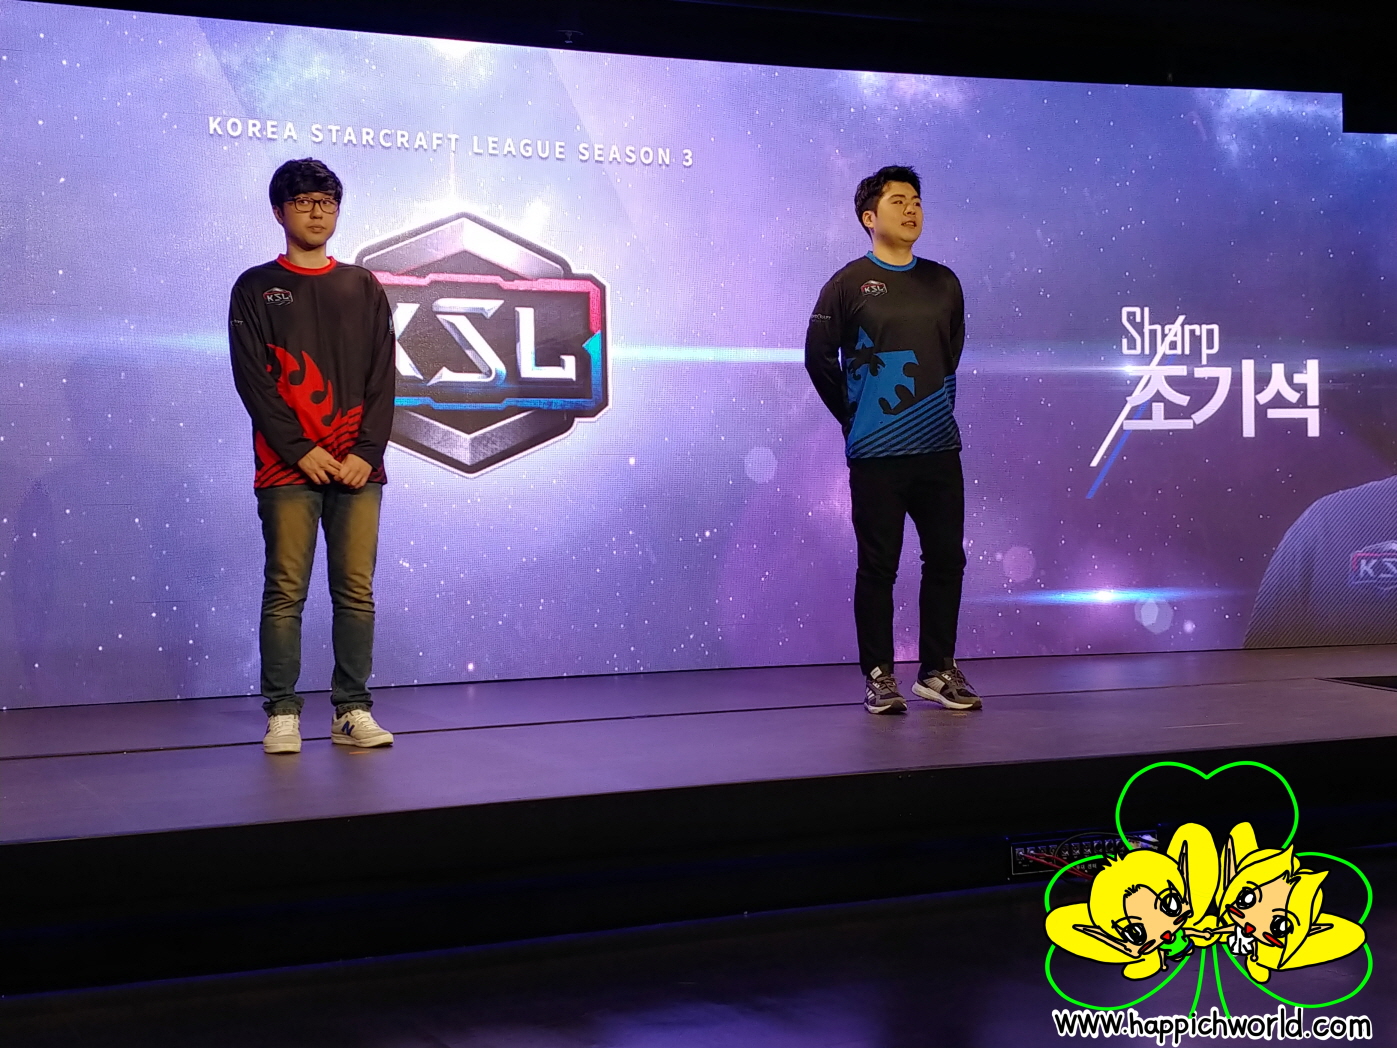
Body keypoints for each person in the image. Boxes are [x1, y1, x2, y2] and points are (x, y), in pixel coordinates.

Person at [229, 158, 396, 753]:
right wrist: (300, 451)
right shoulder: (255, 287)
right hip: (286, 468)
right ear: (280, 212)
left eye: (327, 202)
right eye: (303, 202)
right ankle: (282, 713)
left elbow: (384, 376)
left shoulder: (362, 285)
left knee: (355, 591)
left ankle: (352, 710)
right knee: (286, 591)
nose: (317, 212)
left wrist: (367, 451)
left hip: (357, 468)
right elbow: (253, 381)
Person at [805, 165, 982, 714]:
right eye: (898, 201)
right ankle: (879, 675)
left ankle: (937, 669)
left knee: (946, 559)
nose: (911, 210)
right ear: (869, 216)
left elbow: (950, 351)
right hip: (876, 454)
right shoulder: (847, 284)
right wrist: (854, 417)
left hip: (938, 447)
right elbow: (818, 359)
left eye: (917, 202)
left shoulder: (944, 283)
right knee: (878, 565)